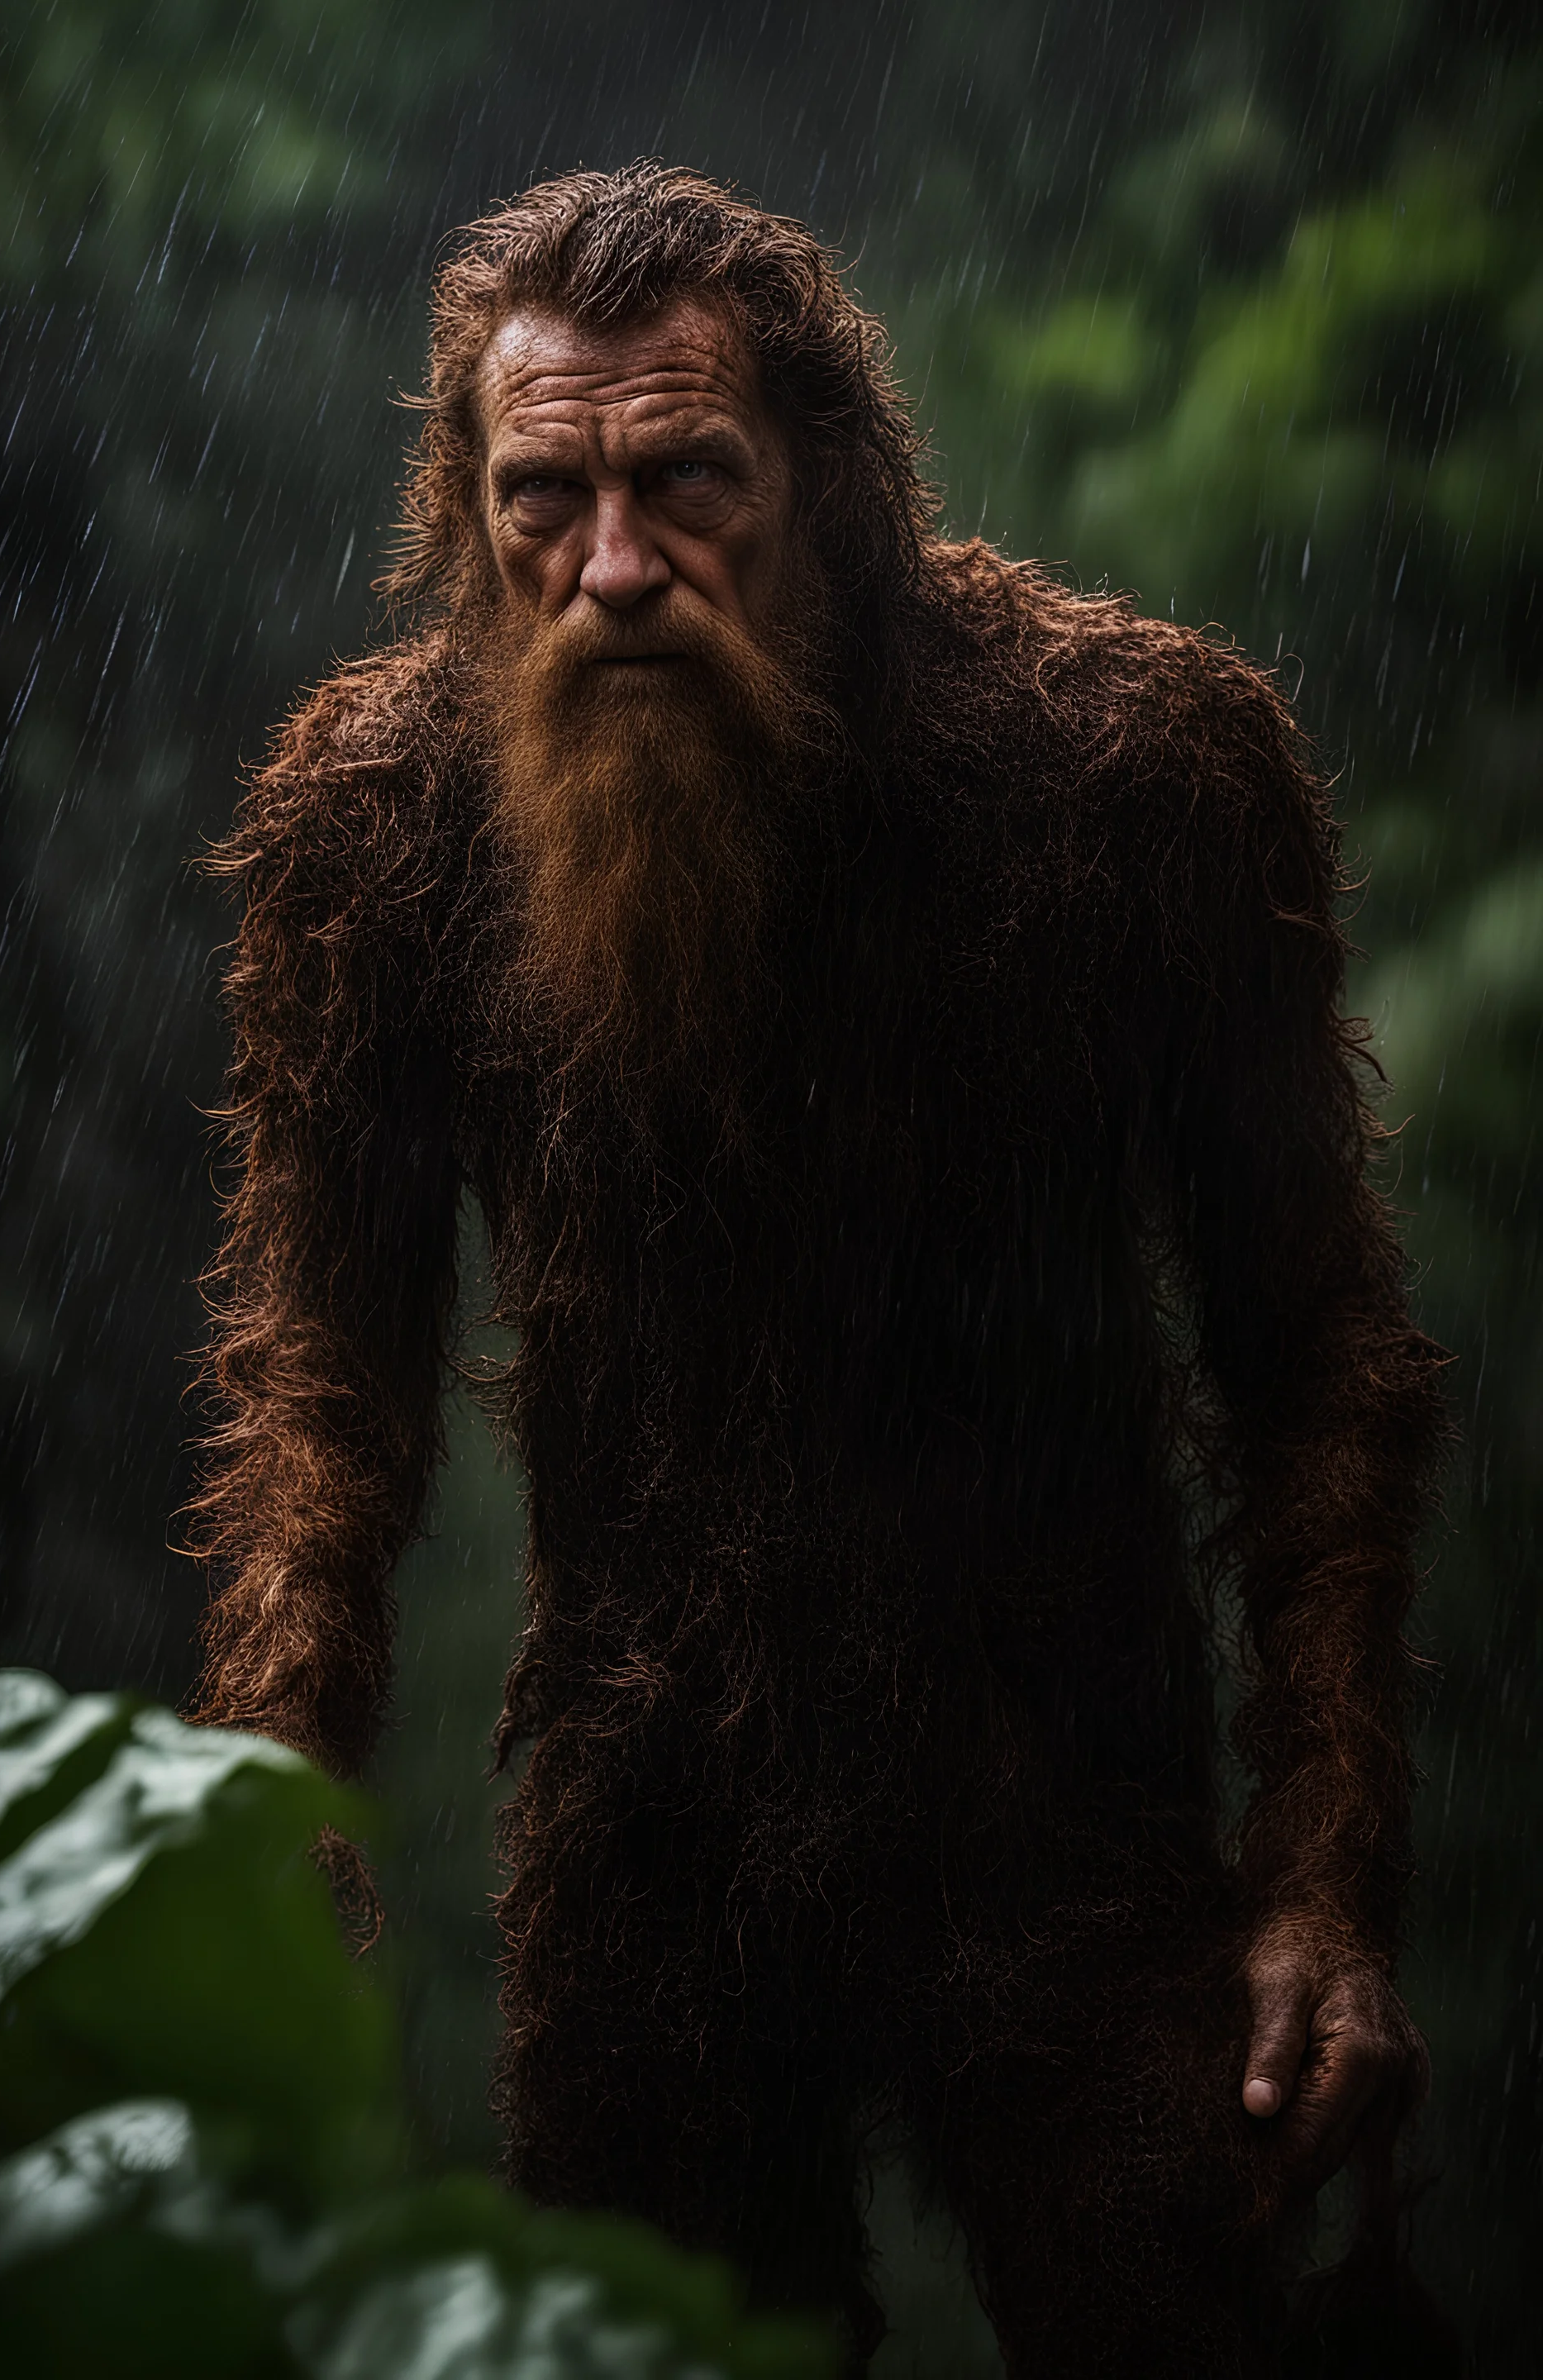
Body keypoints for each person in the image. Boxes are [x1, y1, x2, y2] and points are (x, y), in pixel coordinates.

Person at [190, 164, 1448, 2374]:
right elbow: (327, 1389)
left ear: (833, 495)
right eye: (543, 499)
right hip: (640, 1823)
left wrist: (1327, 1879)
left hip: (1066, 1805)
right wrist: (268, 1799)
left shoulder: (1126, 772)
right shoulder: (379, 834)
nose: (612, 569)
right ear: (466, 520)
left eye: (690, 487)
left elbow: (1323, 1350)